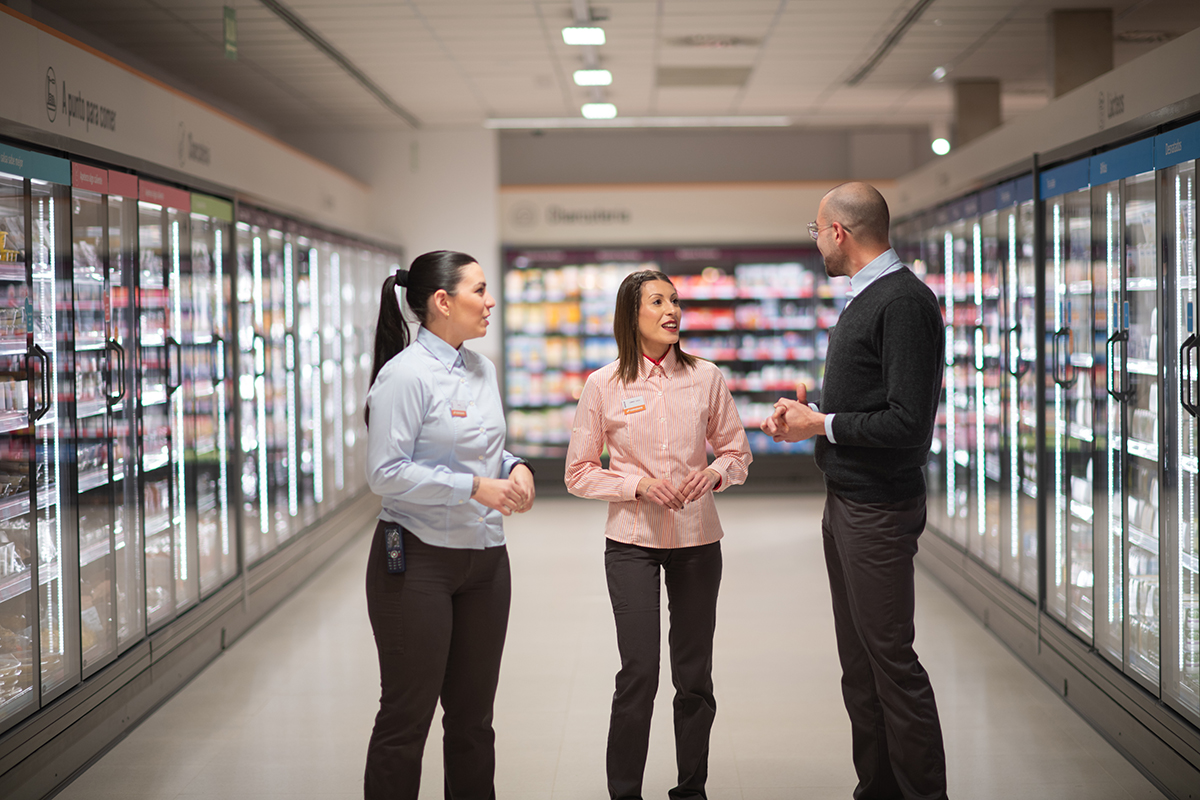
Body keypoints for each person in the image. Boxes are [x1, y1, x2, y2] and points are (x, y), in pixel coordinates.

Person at [762, 182, 948, 800]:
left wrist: (822, 424)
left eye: (817, 231)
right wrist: (812, 415)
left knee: (891, 664)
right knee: (859, 668)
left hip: (878, 509)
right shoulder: (866, 299)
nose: (816, 242)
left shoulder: (903, 304)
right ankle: (877, 789)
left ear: (839, 232)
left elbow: (907, 423)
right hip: (846, 501)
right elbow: (867, 401)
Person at [565, 269, 752, 800]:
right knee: (639, 673)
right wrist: (638, 484)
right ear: (632, 315)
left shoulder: (706, 377)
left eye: (674, 300)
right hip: (631, 543)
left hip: (697, 540)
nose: (671, 310)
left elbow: (737, 453)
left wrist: (714, 473)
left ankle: (691, 789)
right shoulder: (603, 385)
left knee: (694, 676)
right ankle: (624, 792)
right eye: (657, 302)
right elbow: (577, 472)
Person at [362, 250, 535, 800]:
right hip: (416, 560)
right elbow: (385, 474)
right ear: (442, 301)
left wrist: (514, 467)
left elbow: (488, 448)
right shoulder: (404, 376)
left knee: (473, 721)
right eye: (479, 291)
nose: (490, 302)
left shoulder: (480, 368)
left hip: (485, 560)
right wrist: (473, 487)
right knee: (406, 717)